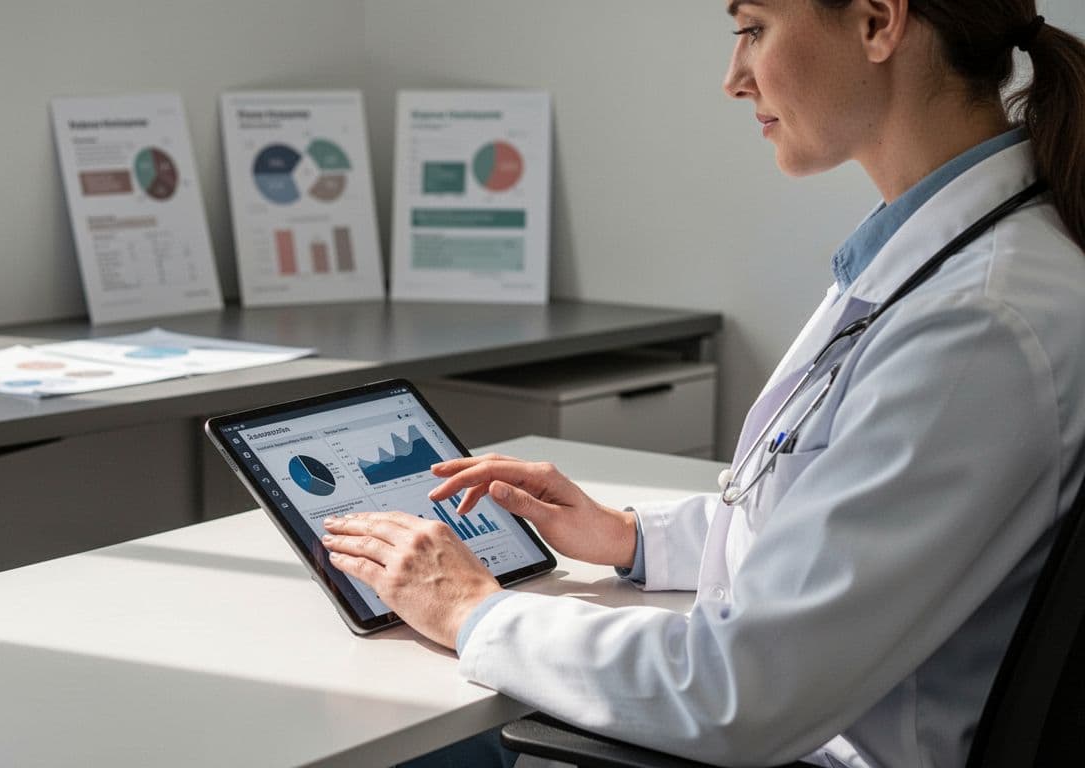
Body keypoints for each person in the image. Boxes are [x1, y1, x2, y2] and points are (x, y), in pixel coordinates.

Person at [321, 1, 1085, 766]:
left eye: (753, 29)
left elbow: (741, 693)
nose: (733, 79)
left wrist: (471, 608)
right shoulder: (947, 263)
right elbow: (833, 514)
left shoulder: (976, 321)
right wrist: (631, 536)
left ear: (879, 22)